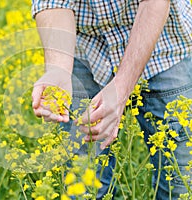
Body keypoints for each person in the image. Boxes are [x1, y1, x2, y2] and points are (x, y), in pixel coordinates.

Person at [31, 0, 192, 199]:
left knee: (180, 180)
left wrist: (121, 89)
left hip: (163, 47)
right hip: (85, 49)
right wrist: (58, 71)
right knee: (83, 184)